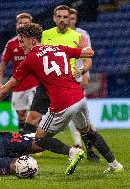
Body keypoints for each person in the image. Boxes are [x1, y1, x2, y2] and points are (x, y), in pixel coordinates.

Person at [0, 23, 123, 174]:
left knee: (40, 139)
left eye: (22, 40)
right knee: (88, 131)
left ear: (32, 41)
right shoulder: (59, 48)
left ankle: (73, 152)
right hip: (79, 98)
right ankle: (115, 165)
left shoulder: (30, 59)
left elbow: (8, 86)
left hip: (62, 103)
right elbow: (89, 53)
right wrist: (83, 47)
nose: (20, 44)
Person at [23, 5, 100, 161]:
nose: (64, 20)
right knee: (32, 117)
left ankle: (90, 151)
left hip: (70, 83)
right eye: (60, 17)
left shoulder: (79, 36)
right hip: (47, 84)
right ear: (54, 18)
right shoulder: (45, 35)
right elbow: (35, 54)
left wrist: (84, 72)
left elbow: (87, 59)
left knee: (82, 123)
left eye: (67, 17)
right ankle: (23, 150)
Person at [0, 13, 38, 134]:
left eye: (26, 23)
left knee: (35, 113)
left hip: (35, 83)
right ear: (16, 25)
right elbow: (3, 63)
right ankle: (23, 139)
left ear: (31, 25)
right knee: (20, 114)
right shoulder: (11, 43)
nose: (23, 25)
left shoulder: (36, 41)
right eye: (21, 23)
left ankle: (38, 140)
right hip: (18, 84)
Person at [68, 7, 100, 161]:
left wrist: (85, 74)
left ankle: (85, 146)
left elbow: (88, 56)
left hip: (79, 77)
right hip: (63, 79)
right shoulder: (57, 35)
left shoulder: (82, 34)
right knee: (73, 114)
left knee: (80, 113)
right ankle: (81, 145)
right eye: (69, 18)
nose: (70, 21)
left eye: (73, 18)